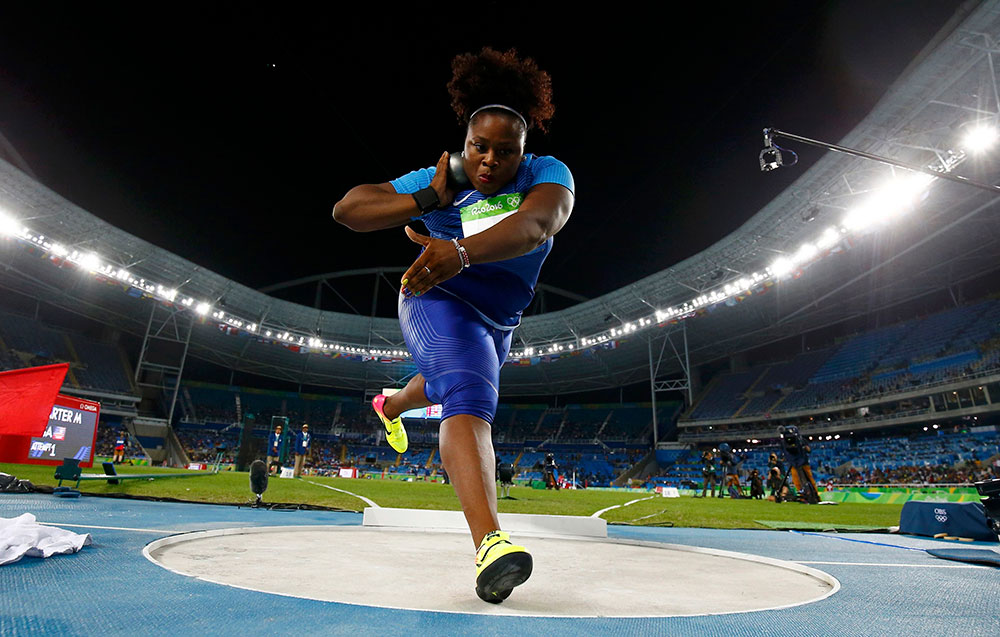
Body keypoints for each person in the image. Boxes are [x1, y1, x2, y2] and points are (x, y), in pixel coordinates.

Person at [333, 47, 574, 603]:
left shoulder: (548, 176)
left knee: (452, 379)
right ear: (464, 145)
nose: (489, 160)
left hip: (499, 317)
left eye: (504, 151)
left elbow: (538, 226)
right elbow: (349, 209)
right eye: (478, 147)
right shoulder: (440, 179)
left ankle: (390, 404)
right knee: (469, 394)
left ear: (524, 153)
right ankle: (491, 545)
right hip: (434, 297)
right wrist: (426, 198)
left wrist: (460, 252)